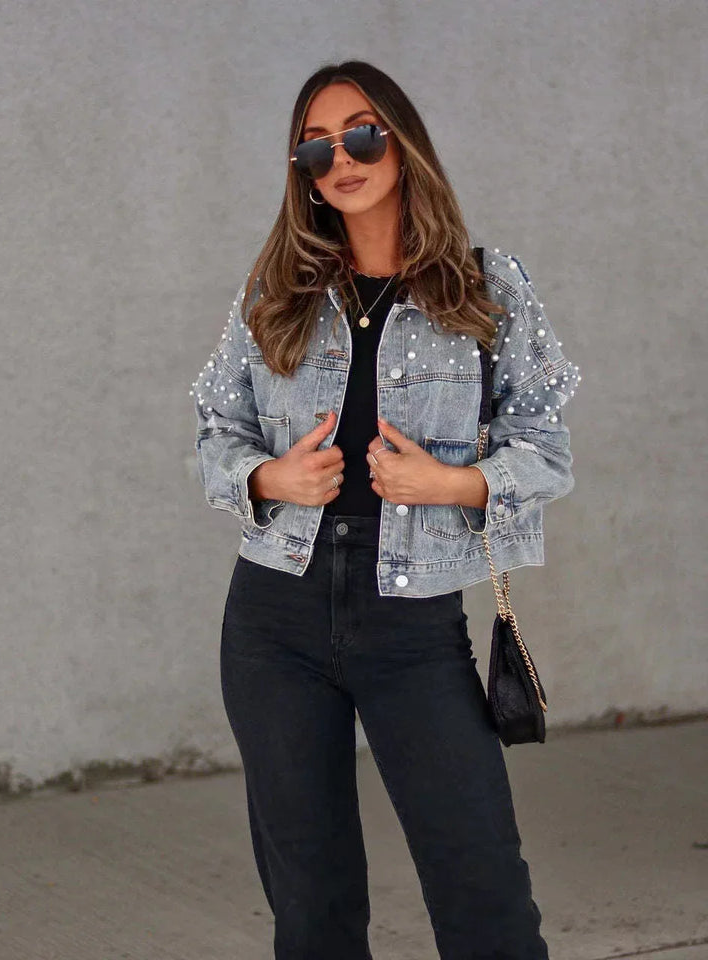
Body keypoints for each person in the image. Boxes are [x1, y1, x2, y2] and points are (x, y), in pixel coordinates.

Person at [191, 59, 581, 960]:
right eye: (316, 147)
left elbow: (546, 449)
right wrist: (267, 479)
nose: (342, 158)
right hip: (274, 622)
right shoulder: (275, 290)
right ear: (303, 172)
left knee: (484, 895)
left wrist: (451, 484)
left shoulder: (487, 285)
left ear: (402, 144)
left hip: (413, 622)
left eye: (362, 134)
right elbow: (215, 432)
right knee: (313, 908)